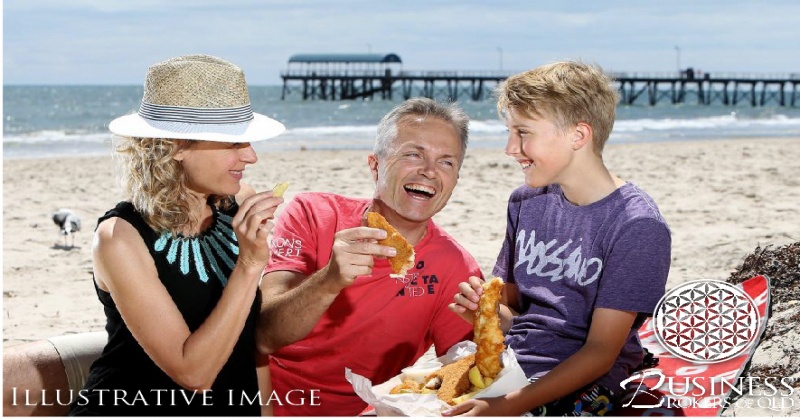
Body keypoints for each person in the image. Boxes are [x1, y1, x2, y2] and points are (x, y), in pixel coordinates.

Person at [445, 61, 671, 416]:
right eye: (509, 132)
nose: (509, 148)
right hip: (517, 364)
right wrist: (483, 314)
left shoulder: (637, 226)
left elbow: (600, 352)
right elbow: (517, 316)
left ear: (578, 136)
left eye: (523, 132)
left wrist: (503, 407)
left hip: (587, 380)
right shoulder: (526, 202)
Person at [66, 54, 286, 415]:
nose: (252, 157)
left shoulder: (237, 204)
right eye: (233, 143)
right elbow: (194, 374)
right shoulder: (119, 238)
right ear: (176, 146)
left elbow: (249, 343)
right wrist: (249, 264)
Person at [255, 97, 482, 416]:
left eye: (446, 162)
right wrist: (329, 281)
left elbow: (466, 367)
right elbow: (265, 336)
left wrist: (497, 325)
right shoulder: (313, 213)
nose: (429, 171)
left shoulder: (456, 266)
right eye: (413, 154)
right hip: (266, 400)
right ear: (375, 165)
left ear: (456, 178)